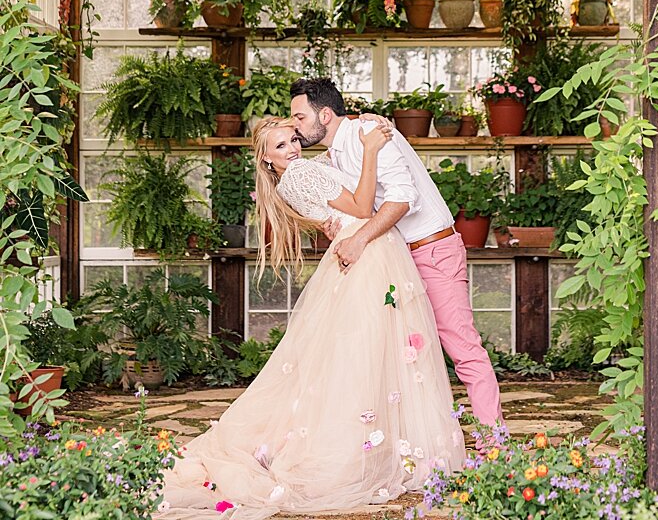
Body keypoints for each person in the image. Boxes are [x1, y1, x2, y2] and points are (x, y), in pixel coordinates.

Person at [157, 117, 465, 519]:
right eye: (281, 146)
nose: (293, 149)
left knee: (362, 354)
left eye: (293, 140)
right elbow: (362, 206)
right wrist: (371, 150)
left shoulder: (298, 174)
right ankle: (359, 449)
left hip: (368, 251)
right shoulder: (299, 175)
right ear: (266, 159)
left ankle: (372, 444)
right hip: (368, 253)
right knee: (366, 354)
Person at [287, 77, 503, 428]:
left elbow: (403, 198)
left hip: (431, 251)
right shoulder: (333, 156)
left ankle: (496, 447)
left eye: (299, 117)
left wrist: (358, 241)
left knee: (463, 348)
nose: (294, 126)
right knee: (395, 355)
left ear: (324, 115)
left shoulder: (372, 133)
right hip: (391, 260)